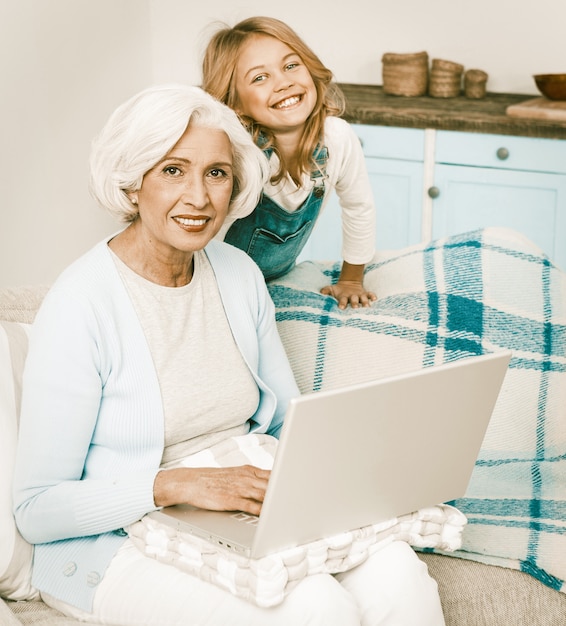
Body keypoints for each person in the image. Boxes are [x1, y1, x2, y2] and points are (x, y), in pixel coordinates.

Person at [13, 84, 445, 626]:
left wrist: (353, 472)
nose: (198, 196)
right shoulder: (80, 305)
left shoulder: (238, 274)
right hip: (117, 542)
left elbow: (289, 423)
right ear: (133, 180)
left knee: (398, 573)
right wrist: (180, 485)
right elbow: (36, 509)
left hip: (241, 510)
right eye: (173, 170)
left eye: (216, 173)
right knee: (314, 606)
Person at [202, 16, 377, 310]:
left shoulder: (337, 138)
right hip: (217, 280)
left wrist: (351, 279)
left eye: (290, 65)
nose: (283, 82)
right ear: (234, 103)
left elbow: (359, 207)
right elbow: (208, 232)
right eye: (259, 77)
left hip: (277, 278)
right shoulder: (239, 155)